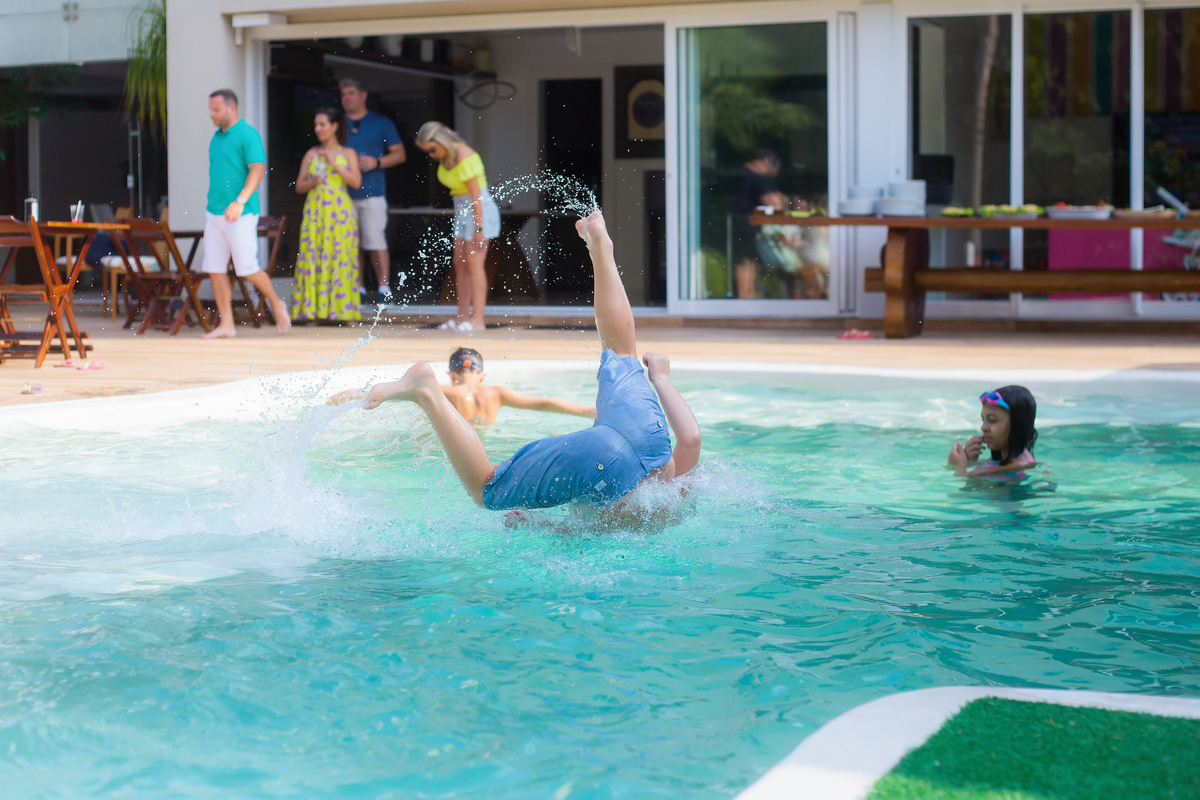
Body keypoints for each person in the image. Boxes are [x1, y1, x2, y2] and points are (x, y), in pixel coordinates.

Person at [329, 210, 701, 523]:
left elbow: (692, 439)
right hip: (602, 466)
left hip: (648, 434)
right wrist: (533, 527)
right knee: (486, 489)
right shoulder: (649, 518)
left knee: (621, 350)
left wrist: (662, 379)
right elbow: (581, 534)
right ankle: (426, 390)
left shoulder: (676, 474)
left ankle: (601, 249)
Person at [200, 88, 290, 338]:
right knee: (215, 269)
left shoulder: (248, 134)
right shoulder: (216, 138)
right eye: (210, 109)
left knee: (247, 267)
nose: (211, 114)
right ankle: (227, 325)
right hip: (214, 212)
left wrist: (240, 201)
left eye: (216, 110)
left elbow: (257, 169)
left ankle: (276, 302)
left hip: (240, 212)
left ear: (231, 108)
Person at [416, 121, 500, 332]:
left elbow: (476, 196)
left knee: (474, 263)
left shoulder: (465, 156)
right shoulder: (447, 157)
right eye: (428, 152)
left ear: (441, 141)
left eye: (433, 149)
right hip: (463, 211)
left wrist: (479, 229)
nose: (432, 155)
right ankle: (462, 316)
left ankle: (478, 319)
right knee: (459, 263)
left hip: (478, 211)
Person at [291, 107, 363, 326]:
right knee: (314, 256)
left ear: (334, 126)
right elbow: (299, 186)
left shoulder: (347, 153)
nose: (318, 129)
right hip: (315, 211)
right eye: (316, 125)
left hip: (340, 213)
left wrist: (334, 161)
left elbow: (356, 182)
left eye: (322, 124)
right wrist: (313, 181)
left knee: (341, 258)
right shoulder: (311, 154)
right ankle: (315, 312)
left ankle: (346, 312)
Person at [339, 79, 405, 307]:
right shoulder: (337, 124)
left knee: (375, 241)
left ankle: (384, 288)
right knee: (352, 244)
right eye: (343, 94)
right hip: (344, 194)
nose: (346, 98)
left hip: (373, 192)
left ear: (363, 95)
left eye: (351, 93)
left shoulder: (381, 123)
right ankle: (357, 288)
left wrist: (376, 162)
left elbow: (400, 154)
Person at [439, 347, 596, 425]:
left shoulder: (443, 392)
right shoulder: (497, 393)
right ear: (482, 377)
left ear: (451, 376)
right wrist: (587, 411)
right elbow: (544, 403)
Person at [948, 386, 1039, 478]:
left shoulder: (1019, 466)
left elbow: (965, 486)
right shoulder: (1002, 461)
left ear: (1018, 424)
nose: (983, 428)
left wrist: (960, 467)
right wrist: (970, 461)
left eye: (992, 420)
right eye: (983, 420)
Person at [734, 149, 788, 299]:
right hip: (748, 224)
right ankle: (745, 295)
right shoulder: (758, 178)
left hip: (739, 222)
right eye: (775, 164)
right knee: (747, 261)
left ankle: (747, 294)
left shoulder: (742, 174)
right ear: (766, 161)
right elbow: (774, 203)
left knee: (746, 259)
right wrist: (783, 200)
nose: (777, 169)